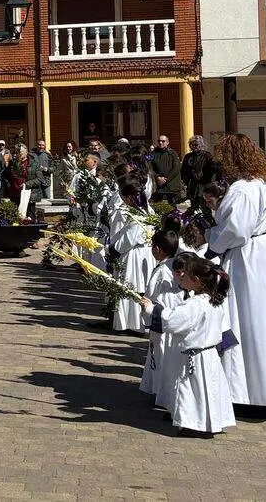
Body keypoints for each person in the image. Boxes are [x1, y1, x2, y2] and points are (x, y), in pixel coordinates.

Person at [206, 133, 266, 409]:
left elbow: (237, 230)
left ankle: (248, 392)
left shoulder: (243, 188)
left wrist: (213, 241)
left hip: (249, 258)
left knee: (247, 319)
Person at [138, 256, 237, 437]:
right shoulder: (213, 300)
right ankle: (212, 422)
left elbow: (172, 319)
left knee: (192, 392)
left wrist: (151, 308)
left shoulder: (194, 304)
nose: (181, 277)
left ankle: (194, 425)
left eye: (186, 275)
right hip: (209, 357)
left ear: (196, 280)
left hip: (196, 357)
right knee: (210, 391)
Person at [142, 228, 183, 413]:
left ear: (158, 249)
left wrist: (146, 308)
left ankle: (160, 392)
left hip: (161, 314)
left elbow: (151, 293)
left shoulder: (160, 270)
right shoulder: (179, 265)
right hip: (175, 315)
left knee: (159, 354)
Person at [108, 173, 154, 333]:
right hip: (138, 254)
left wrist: (114, 248)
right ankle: (129, 322)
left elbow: (130, 237)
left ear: (129, 197)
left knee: (134, 285)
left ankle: (136, 324)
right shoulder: (142, 210)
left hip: (136, 256)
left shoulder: (141, 214)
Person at [3, 143, 48, 217]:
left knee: (29, 218)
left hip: (28, 195)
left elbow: (40, 179)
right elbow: (5, 176)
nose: (19, 154)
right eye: (17, 152)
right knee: (16, 218)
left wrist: (27, 184)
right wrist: (9, 185)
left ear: (26, 152)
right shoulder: (12, 163)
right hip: (15, 194)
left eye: (20, 152)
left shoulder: (34, 163)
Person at [181, 135, 218, 211]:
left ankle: (207, 221)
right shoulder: (188, 156)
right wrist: (185, 183)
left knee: (205, 207)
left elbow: (212, 171)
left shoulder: (207, 155)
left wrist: (209, 183)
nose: (194, 146)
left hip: (204, 185)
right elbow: (184, 171)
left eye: (196, 144)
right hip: (192, 185)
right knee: (193, 206)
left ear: (201, 144)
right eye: (192, 144)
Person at [151, 135, 182, 205]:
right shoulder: (153, 154)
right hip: (158, 186)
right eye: (159, 141)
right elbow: (149, 167)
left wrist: (165, 179)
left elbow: (176, 168)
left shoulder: (173, 153)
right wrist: (158, 178)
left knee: (172, 209)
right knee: (157, 208)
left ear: (167, 142)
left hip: (171, 186)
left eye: (163, 141)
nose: (160, 143)